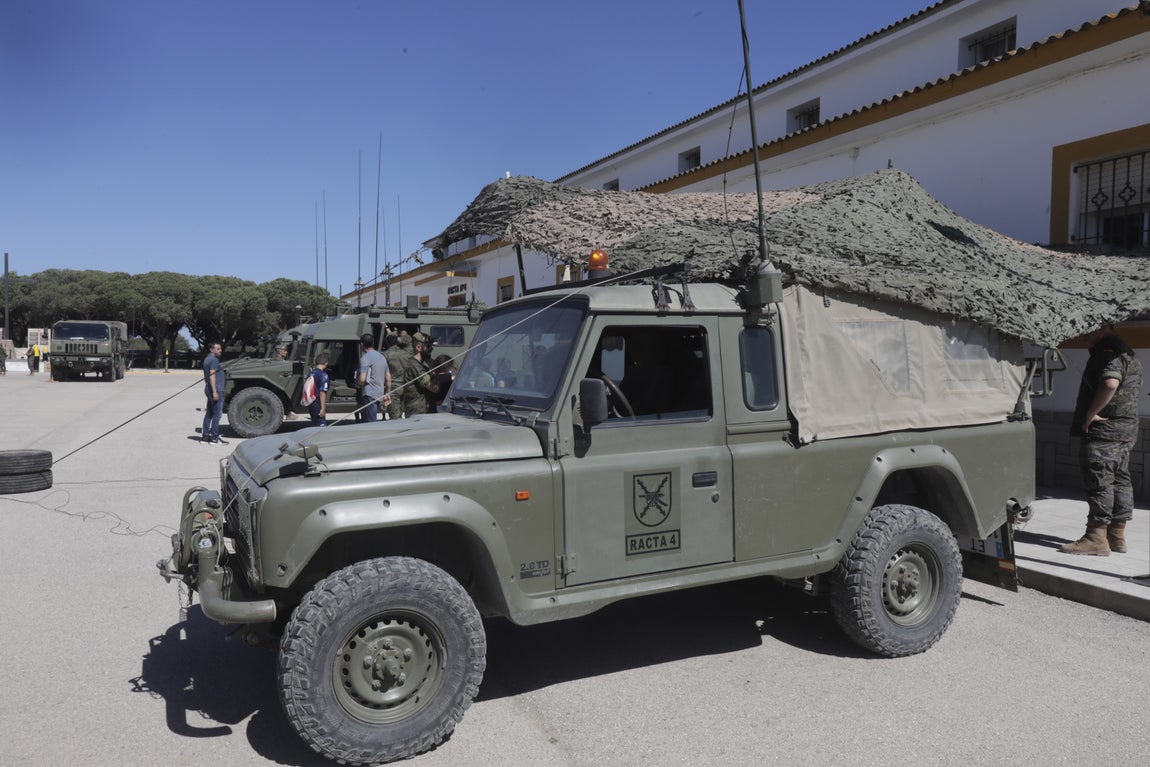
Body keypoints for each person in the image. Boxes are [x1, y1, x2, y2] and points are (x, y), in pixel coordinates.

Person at [1060, 323, 1143, 556]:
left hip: (1104, 430)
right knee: (1120, 479)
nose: (1082, 330)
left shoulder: (1108, 352)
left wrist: (1090, 413)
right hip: (1124, 429)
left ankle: (1096, 537)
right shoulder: (1128, 351)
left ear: (1104, 326)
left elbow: (1110, 383)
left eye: (1088, 326)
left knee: (1100, 480)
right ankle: (1116, 535)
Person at [356, 333, 391, 422]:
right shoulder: (382, 357)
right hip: (380, 393)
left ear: (362, 344)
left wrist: (358, 383)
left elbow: (362, 379)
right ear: (373, 343)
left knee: (370, 422)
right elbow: (388, 377)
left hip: (369, 394)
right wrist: (387, 393)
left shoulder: (365, 358)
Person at [201, 342, 227, 444]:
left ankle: (205, 437)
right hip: (216, 390)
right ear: (212, 350)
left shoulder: (207, 359)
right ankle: (214, 438)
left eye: (220, 348)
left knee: (209, 413)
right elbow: (212, 375)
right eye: (218, 349)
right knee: (217, 415)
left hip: (209, 388)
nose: (220, 350)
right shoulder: (213, 360)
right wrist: (215, 392)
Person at [384, 333, 408, 419]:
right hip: (405, 386)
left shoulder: (386, 355)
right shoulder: (406, 354)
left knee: (395, 417)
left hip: (393, 388)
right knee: (403, 414)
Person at [306, 353, 331, 426]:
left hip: (311, 402)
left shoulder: (311, 373)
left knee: (314, 423)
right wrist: (323, 408)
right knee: (321, 425)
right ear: (326, 363)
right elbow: (322, 392)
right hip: (317, 402)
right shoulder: (323, 375)